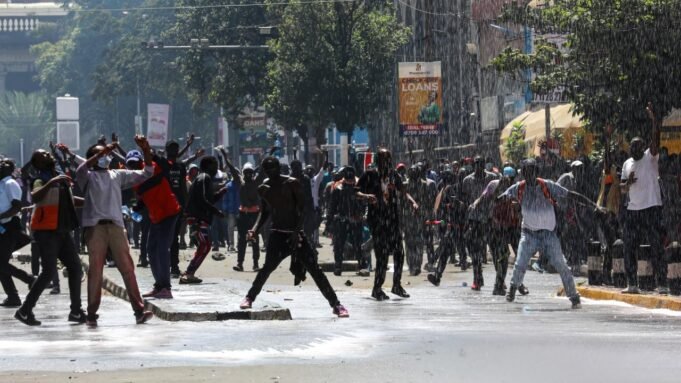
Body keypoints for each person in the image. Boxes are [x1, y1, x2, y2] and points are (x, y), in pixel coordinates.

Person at [239, 156, 349, 318]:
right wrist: (254, 229)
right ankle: (249, 297)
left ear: (279, 168)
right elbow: (265, 212)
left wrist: (297, 232)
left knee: (315, 270)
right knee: (267, 268)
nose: (271, 172)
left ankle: (336, 304)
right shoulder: (264, 188)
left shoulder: (291, 183)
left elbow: (302, 210)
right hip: (277, 233)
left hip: (295, 234)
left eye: (273, 168)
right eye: (267, 169)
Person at [500, 159, 605, 308]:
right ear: (523, 173)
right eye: (527, 171)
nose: (529, 174)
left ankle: (573, 296)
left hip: (549, 235)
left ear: (536, 172)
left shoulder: (547, 185)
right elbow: (501, 197)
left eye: (532, 170)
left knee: (562, 266)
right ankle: (512, 289)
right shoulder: (518, 188)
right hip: (529, 234)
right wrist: (502, 197)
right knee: (520, 263)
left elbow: (571, 195)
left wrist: (594, 205)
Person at [76, 136, 154, 326]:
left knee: (127, 268)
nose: (106, 157)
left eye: (107, 154)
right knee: (96, 270)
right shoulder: (87, 175)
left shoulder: (116, 175)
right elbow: (81, 168)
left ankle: (139, 310)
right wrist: (103, 151)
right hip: (95, 227)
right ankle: (92, 313)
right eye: (101, 155)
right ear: (92, 158)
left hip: (116, 225)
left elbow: (147, 172)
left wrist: (146, 150)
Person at [15, 149, 86, 326]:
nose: (48, 155)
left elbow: (69, 200)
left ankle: (76, 311)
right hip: (46, 231)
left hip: (62, 230)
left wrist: (90, 201)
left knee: (75, 268)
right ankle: (25, 310)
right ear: (38, 163)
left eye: (48, 153)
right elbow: (35, 196)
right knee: (48, 272)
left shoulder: (59, 177)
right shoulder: (39, 178)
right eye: (43, 155)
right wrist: (53, 181)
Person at [620, 103, 667, 294]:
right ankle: (632, 284)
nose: (633, 149)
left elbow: (656, 139)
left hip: (651, 207)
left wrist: (655, 121)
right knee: (629, 247)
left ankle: (662, 283)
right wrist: (628, 183)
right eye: (632, 146)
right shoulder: (627, 163)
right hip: (633, 210)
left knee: (656, 245)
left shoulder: (650, 157)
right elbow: (623, 189)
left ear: (643, 147)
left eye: (637, 145)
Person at [357, 148, 417, 301]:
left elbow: (403, 190)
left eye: (388, 160)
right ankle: (377, 289)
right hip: (377, 221)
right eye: (383, 160)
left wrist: (411, 201)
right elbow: (354, 191)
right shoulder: (369, 175)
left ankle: (396, 285)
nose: (386, 163)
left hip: (393, 220)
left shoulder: (393, 175)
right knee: (382, 255)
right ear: (378, 161)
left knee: (399, 253)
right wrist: (367, 196)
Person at [127, 150, 181, 299]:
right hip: (156, 216)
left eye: (136, 163)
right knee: (151, 249)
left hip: (169, 212)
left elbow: (168, 166)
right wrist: (137, 207)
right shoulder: (136, 180)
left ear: (141, 161)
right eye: (130, 164)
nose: (134, 166)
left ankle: (166, 288)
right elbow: (146, 196)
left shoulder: (154, 167)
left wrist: (152, 154)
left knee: (162, 249)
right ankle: (159, 285)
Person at [180, 156, 227, 284]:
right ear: (207, 166)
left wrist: (220, 193)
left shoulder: (204, 179)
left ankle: (189, 272)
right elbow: (202, 200)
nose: (216, 168)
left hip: (199, 217)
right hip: (197, 218)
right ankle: (188, 273)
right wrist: (216, 212)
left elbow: (208, 199)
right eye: (214, 165)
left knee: (204, 245)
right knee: (205, 245)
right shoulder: (204, 177)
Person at [0, 158, 36, 308]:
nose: (0, 165)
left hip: (10, 227)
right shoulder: (2, 184)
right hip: (3, 227)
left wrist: (0, 217)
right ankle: (13, 297)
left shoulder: (10, 183)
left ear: (9, 168)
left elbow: (16, 207)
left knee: (1, 264)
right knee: (1, 264)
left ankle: (29, 280)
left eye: (3, 164)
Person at [461, 156, 498, 290]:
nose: (478, 167)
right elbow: (465, 200)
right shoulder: (467, 180)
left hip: (489, 219)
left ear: (484, 165)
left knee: (495, 251)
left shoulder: (492, 178)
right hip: (474, 220)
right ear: (473, 165)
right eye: (476, 164)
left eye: (480, 164)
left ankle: (500, 279)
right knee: (475, 251)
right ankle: (478, 279)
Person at [329, 166, 368, 276]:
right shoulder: (338, 189)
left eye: (352, 180)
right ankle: (338, 266)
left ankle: (362, 266)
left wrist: (363, 215)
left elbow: (365, 204)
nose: (350, 182)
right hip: (341, 220)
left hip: (356, 221)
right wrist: (329, 222)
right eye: (348, 179)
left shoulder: (359, 188)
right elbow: (331, 207)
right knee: (339, 244)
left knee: (358, 244)